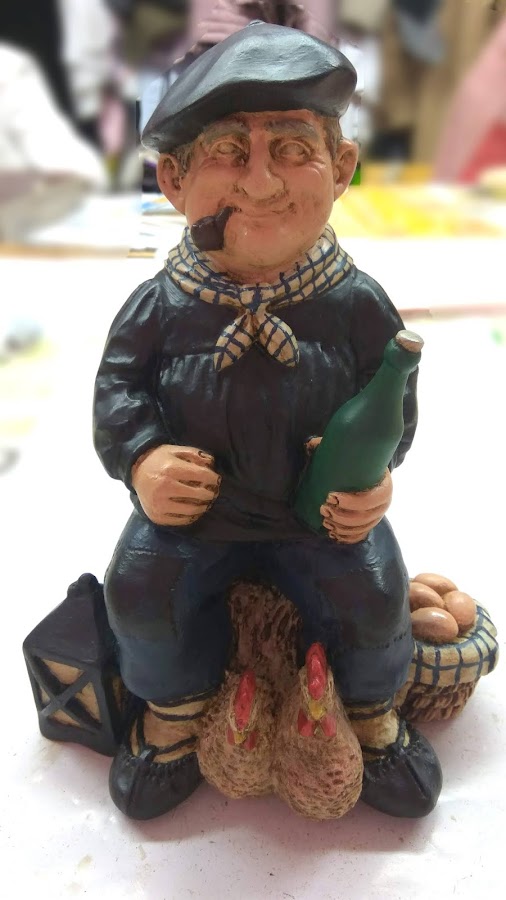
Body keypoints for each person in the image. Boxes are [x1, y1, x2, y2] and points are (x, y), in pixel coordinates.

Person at [93, 22, 442, 821]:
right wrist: (143, 460)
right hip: (196, 521)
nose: (259, 183)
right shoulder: (161, 305)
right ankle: (173, 715)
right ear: (174, 179)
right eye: (227, 152)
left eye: (292, 150)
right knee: (142, 590)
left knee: (374, 595)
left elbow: (396, 406)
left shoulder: (356, 303)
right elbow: (117, 392)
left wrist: (376, 484)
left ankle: (370, 717)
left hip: (320, 518)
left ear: (341, 169)